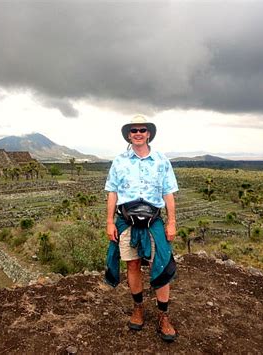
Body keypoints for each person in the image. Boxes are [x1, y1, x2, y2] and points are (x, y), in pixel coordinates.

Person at [104, 114, 179, 342]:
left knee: (162, 264)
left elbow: (168, 193)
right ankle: (138, 308)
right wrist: (109, 221)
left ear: (148, 134)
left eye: (142, 130)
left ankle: (163, 316)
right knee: (133, 265)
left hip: (154, 221)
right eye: (134, 130)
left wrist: (172, 221)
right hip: (126, 221)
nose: (138, 133)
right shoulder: (119, 161)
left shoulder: (161, 160)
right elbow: (112, 192)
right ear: (129, 135)